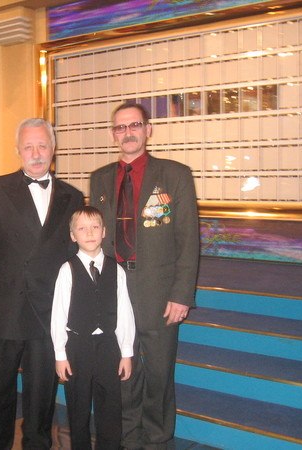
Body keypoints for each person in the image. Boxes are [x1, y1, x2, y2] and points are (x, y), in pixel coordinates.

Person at [0, 118, 84, 449]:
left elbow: (75, 258)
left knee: (41, 399)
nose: (36, 153)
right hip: (2, 310)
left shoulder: (73, 197)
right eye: (29, 147)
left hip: (48, 313)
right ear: (18, 150)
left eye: (42, 145)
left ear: (53, 149)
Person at [89, 102, 200, 449]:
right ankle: (127, 435)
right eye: (120, 127)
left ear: (148, 129)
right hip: (114, 289)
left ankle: (157, 436)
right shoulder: (99, 178)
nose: (128, 133)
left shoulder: (175, 175)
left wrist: (181, 295)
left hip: (159, 290)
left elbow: (188, 239)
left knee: (159, 371)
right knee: (123, 367)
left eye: (134, 125)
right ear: (113, 134)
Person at [51, 206, 135, 450]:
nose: (89, 233)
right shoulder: (67, 270)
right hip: (78, 347)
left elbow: (124, 312)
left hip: (108, 347)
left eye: (95, 227)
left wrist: (126, 352)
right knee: (78, 409)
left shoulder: (116, 269)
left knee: (110, 408)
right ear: (72, 235)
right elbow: (58, 314)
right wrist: (60, 355)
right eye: (82, 228)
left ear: (104, 231)